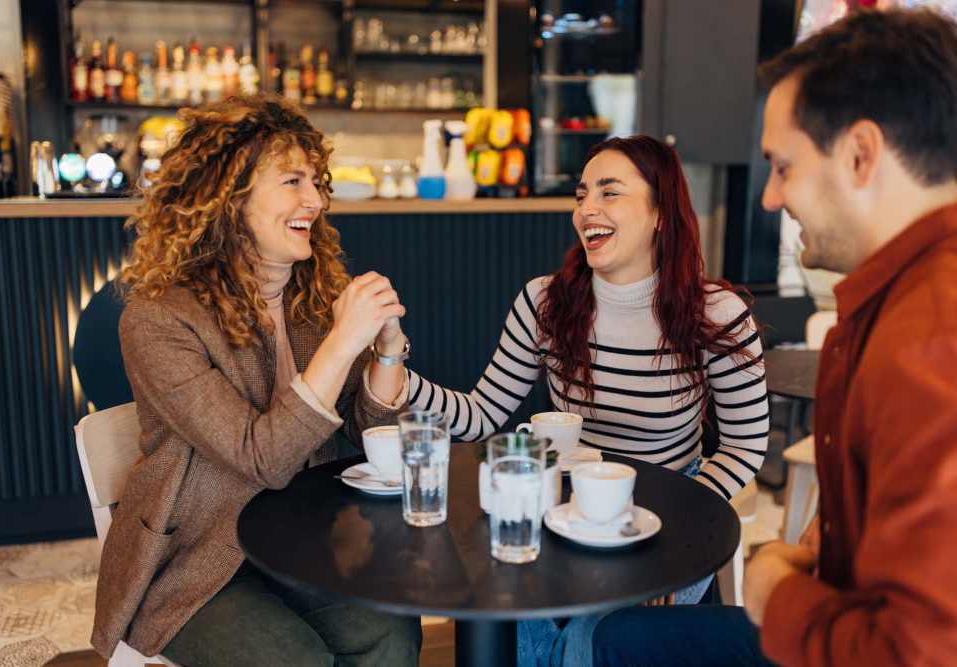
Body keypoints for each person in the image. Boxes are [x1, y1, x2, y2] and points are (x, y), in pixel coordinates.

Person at [593, 7, 957, 666]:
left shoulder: (928, 336)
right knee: (620, 637)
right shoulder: (893, 305)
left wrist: (775, 588)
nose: (769, 198)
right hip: (844, 615)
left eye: (783, 166)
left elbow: (922, 650)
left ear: (861, 154)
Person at [406, 134, 770, 666]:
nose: (587, 209)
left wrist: (674, 538)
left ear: (661, 212)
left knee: (590, 640)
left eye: (610, 192)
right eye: (581, 194)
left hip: (670, 513)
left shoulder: (716, 314)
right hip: (564, 512)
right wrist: (395, 373)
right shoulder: (544, 302)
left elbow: (743, 445)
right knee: (514, 622)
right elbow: (483, 414)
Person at [90, 95, 422, 666]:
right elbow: (258, 456)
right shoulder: (158, 319)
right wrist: (345, 341)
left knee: (394, 628)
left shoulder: (309, 299)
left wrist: (387, 353)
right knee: (292, 660)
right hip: (199, 566)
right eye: (293, 180)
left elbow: (374, 433)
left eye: (317, 182)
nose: (315, 200)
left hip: (306, 542)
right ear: (228, 195)